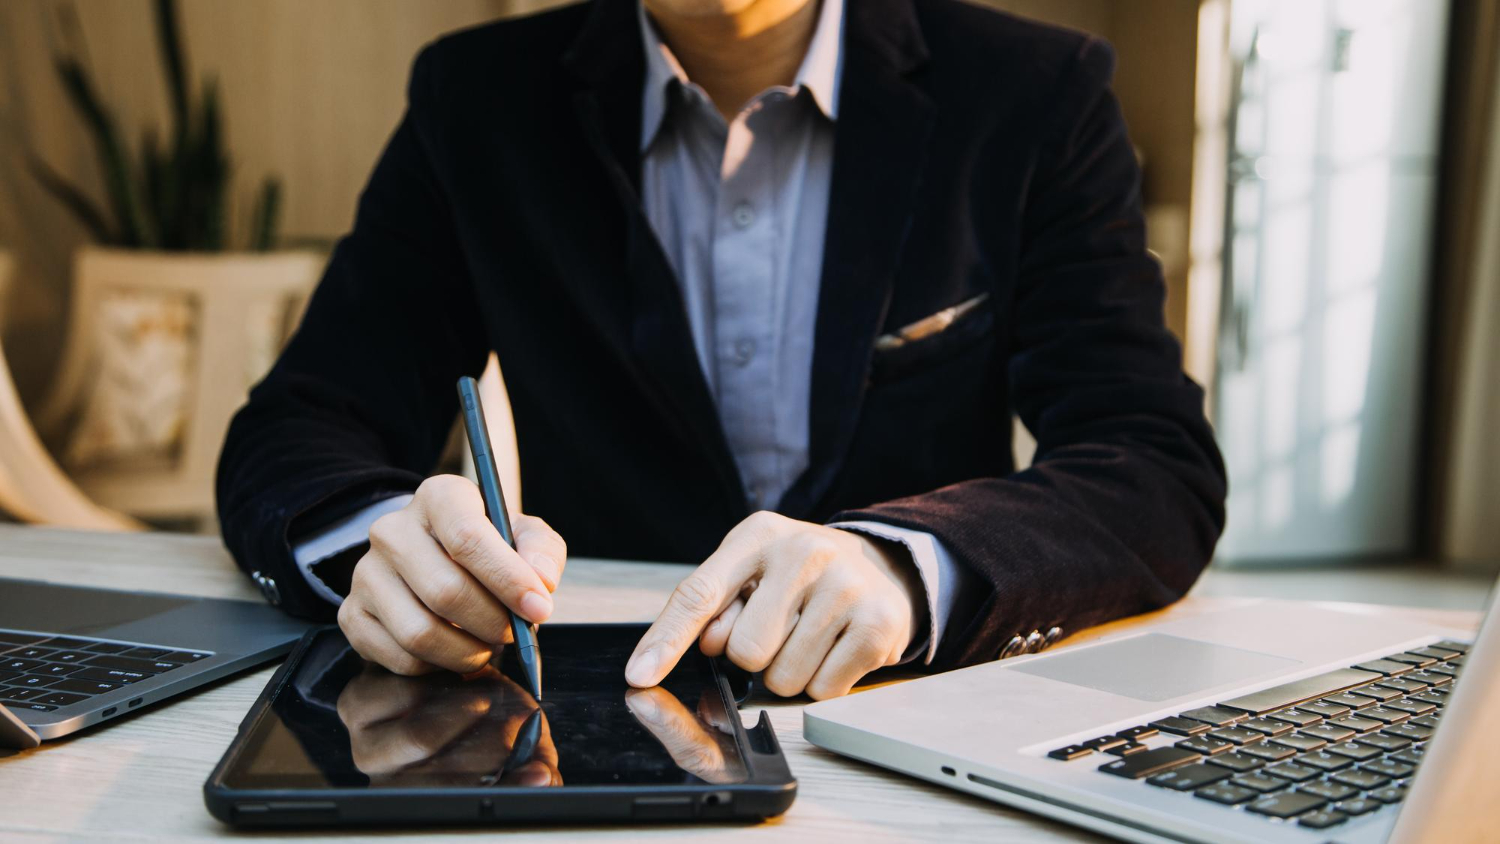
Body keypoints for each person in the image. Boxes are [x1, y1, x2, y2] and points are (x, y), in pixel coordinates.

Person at [217, 0, 1227, 700]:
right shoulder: (477, 100)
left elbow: (1149, 460)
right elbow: (301, 425)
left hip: (915, 713)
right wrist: (379, 545)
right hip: (587, 714)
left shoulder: (1034, 92)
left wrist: (908, 569)